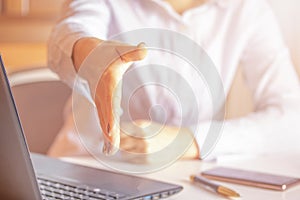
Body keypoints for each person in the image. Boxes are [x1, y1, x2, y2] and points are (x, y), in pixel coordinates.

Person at [47, 0, 300, 160]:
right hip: (84, 167)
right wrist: (91, 54)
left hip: (184, 180)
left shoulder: (249, 9)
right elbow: (69, 32)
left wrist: (190, 141)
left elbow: (291, 119)